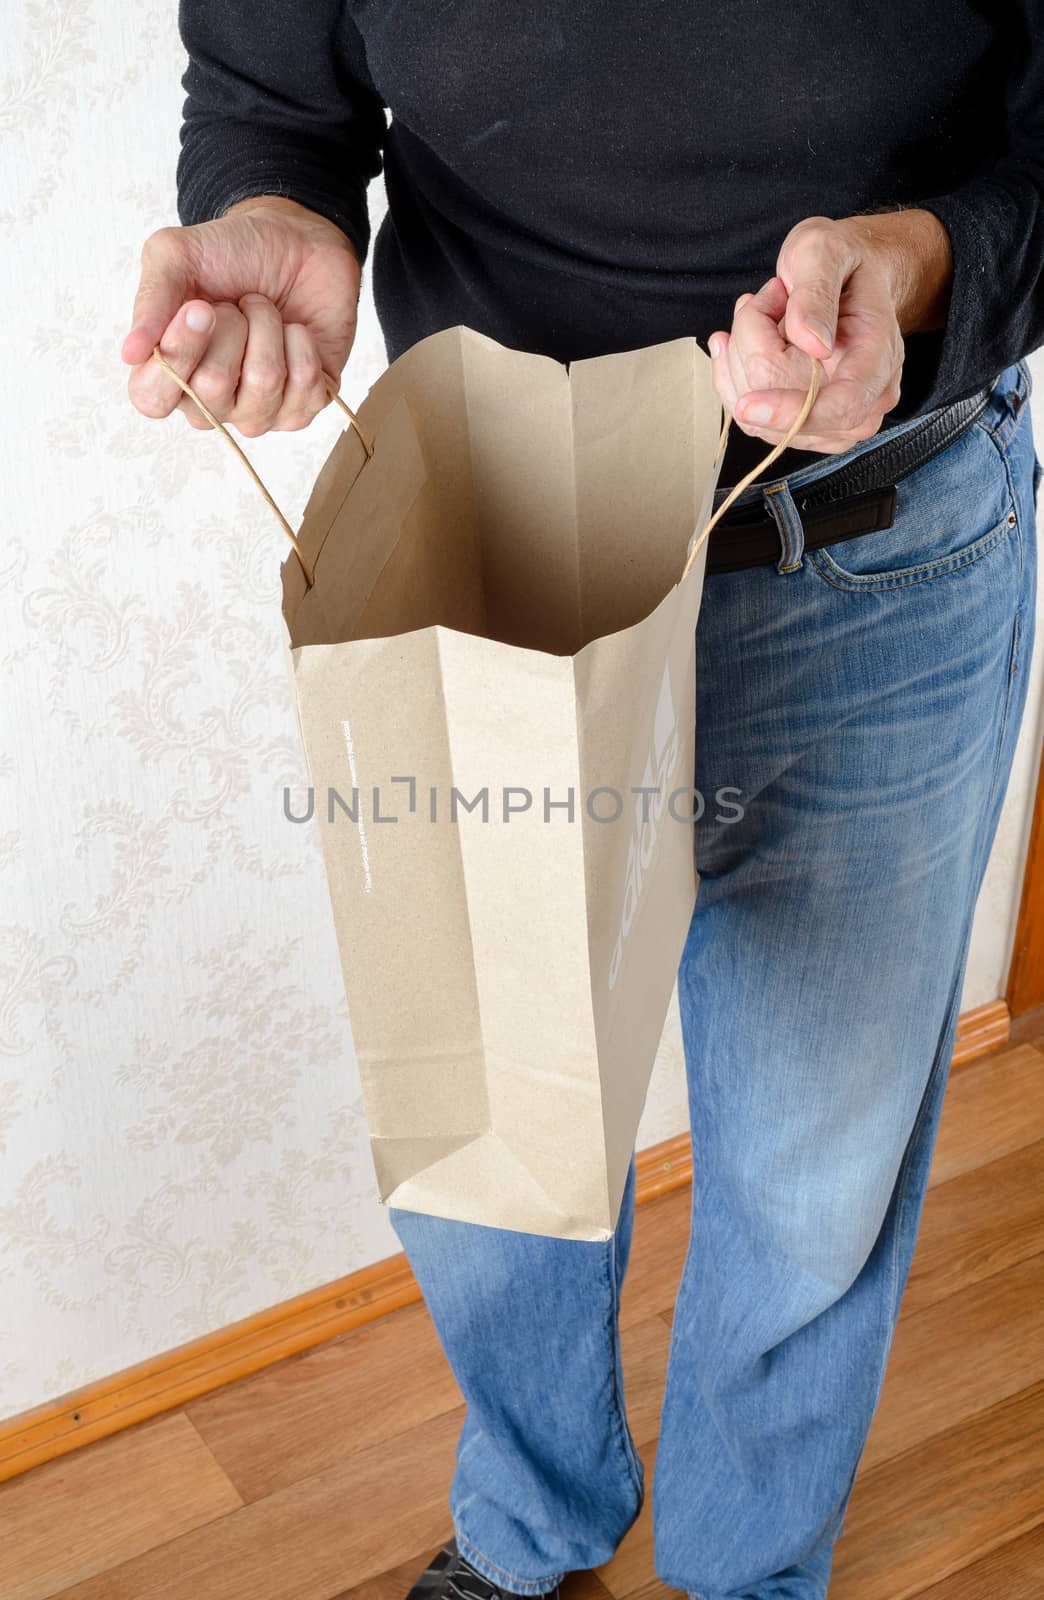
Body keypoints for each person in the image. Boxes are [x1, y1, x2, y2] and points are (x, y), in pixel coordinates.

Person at [123, 6, 1044, 1597]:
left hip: (876, 547)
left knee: (814, 1173)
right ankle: (534, 1525)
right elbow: (275, 88)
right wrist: (275, 209)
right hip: (496, 546)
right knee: (490, 1145)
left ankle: (751, 1570)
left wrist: (915, 267)